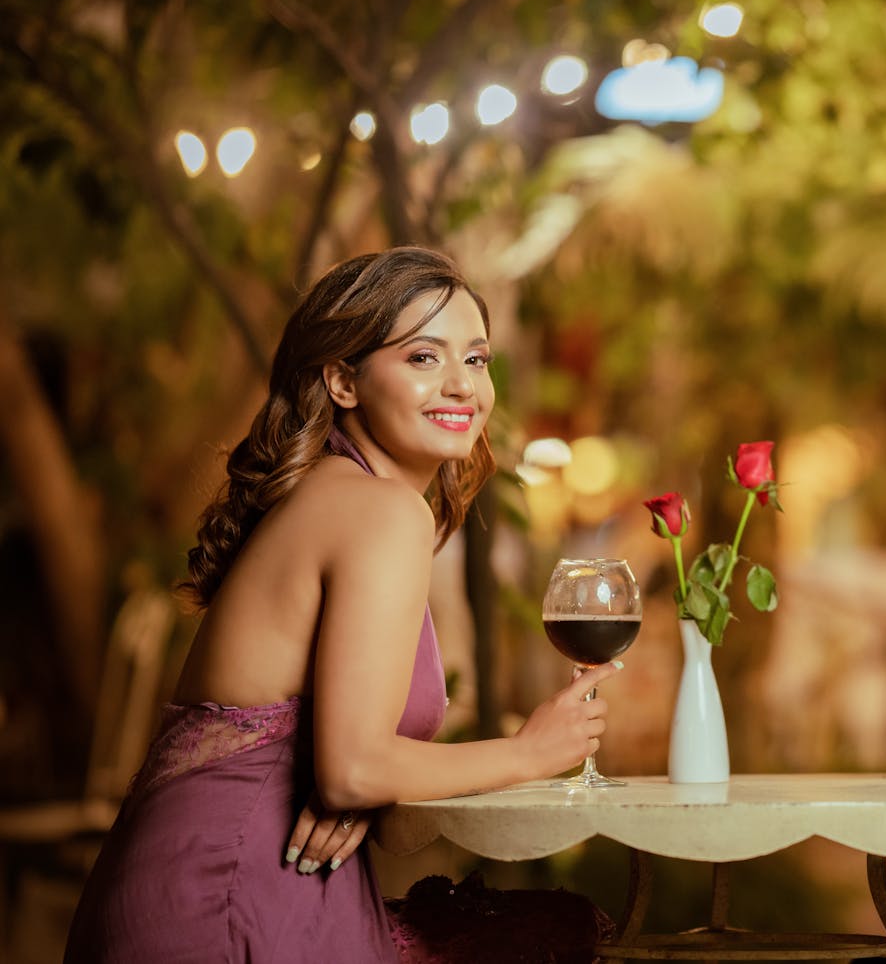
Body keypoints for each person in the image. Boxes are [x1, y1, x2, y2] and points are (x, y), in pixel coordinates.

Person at [67, 247, 618, 962]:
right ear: (343, 380)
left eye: (476, 359)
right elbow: (351, 767)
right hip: (227, 902)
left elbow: (354, 777)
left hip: (199, 885)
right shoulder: (381, 512)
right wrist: (530, 752)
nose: (462, 386)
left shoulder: (337, 494)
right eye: (424, 357)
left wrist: (367, 790)